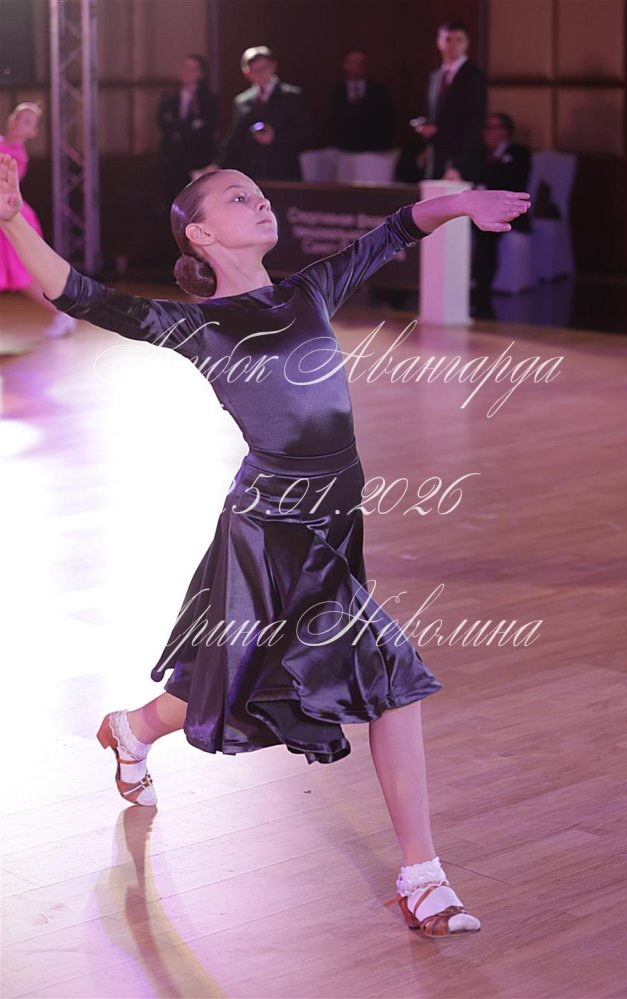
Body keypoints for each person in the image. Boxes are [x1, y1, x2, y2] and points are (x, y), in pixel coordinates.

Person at [0, 150, 529, 938]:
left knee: (237, 678)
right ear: (203, 234)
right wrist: (13, 222)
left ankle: (133, 727)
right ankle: (422, 877)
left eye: (259, 192)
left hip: (334, 522)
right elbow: (81, 293)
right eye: (238, 198)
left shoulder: (308, 290)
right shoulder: (198, 325)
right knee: (390, 678)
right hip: (274, 532)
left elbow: (394, 230)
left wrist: (461, 203)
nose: (260, 202)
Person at [0, 103, 75, 339]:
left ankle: (62, 312)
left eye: (26, 121)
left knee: (24, 276)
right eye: (17, 116)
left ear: (32, 132)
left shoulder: (16, 155)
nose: (18, 122)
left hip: (11, 218)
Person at [214, 47, 311, 180]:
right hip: (254, 171)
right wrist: (218, 164)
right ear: (247, 73)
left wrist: (275, 138)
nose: (260, 74)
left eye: (263, 68)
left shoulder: (292, 96)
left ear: (273, 66)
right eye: (255, 70)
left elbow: (305, 132)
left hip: (284, 169)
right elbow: (235, 138)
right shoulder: (242, 101)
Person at [472, 112, 532, 314]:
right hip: (478, 207)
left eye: (493, 127)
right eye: (486, 128)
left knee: (487, 231)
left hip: (509, 209)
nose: (488, 133)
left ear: (505, 131)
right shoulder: (479, 153)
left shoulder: (519, 153)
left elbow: (515, 183)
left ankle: (482, 288)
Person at [415, 20, 487, 182]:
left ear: (467, 43)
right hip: (437, 157)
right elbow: (437, 116)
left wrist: (456, 166)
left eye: (458, 39)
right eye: (448, 39)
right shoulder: (435, 76)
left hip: (460, 162)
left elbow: (474, 124)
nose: (453, 45)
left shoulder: (474, 76)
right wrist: (427, 128)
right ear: (439, 43)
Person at [157, 53, 219, 203]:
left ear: (201, 74)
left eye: (193, 68)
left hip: (199, 160)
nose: (187, 72)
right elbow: (163, 125)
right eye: (185, 67)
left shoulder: (209, 100)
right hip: (172, 161)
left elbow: (209, 129)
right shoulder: (169, 97)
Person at [329, 50, 395, 152]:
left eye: (360, 63)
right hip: (343, 148)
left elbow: (388, 119)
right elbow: (332, 120)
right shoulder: (336, 92)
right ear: (345, 65)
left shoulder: (379, 91)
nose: (357, 66)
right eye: (353, 62)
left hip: (374, 147)